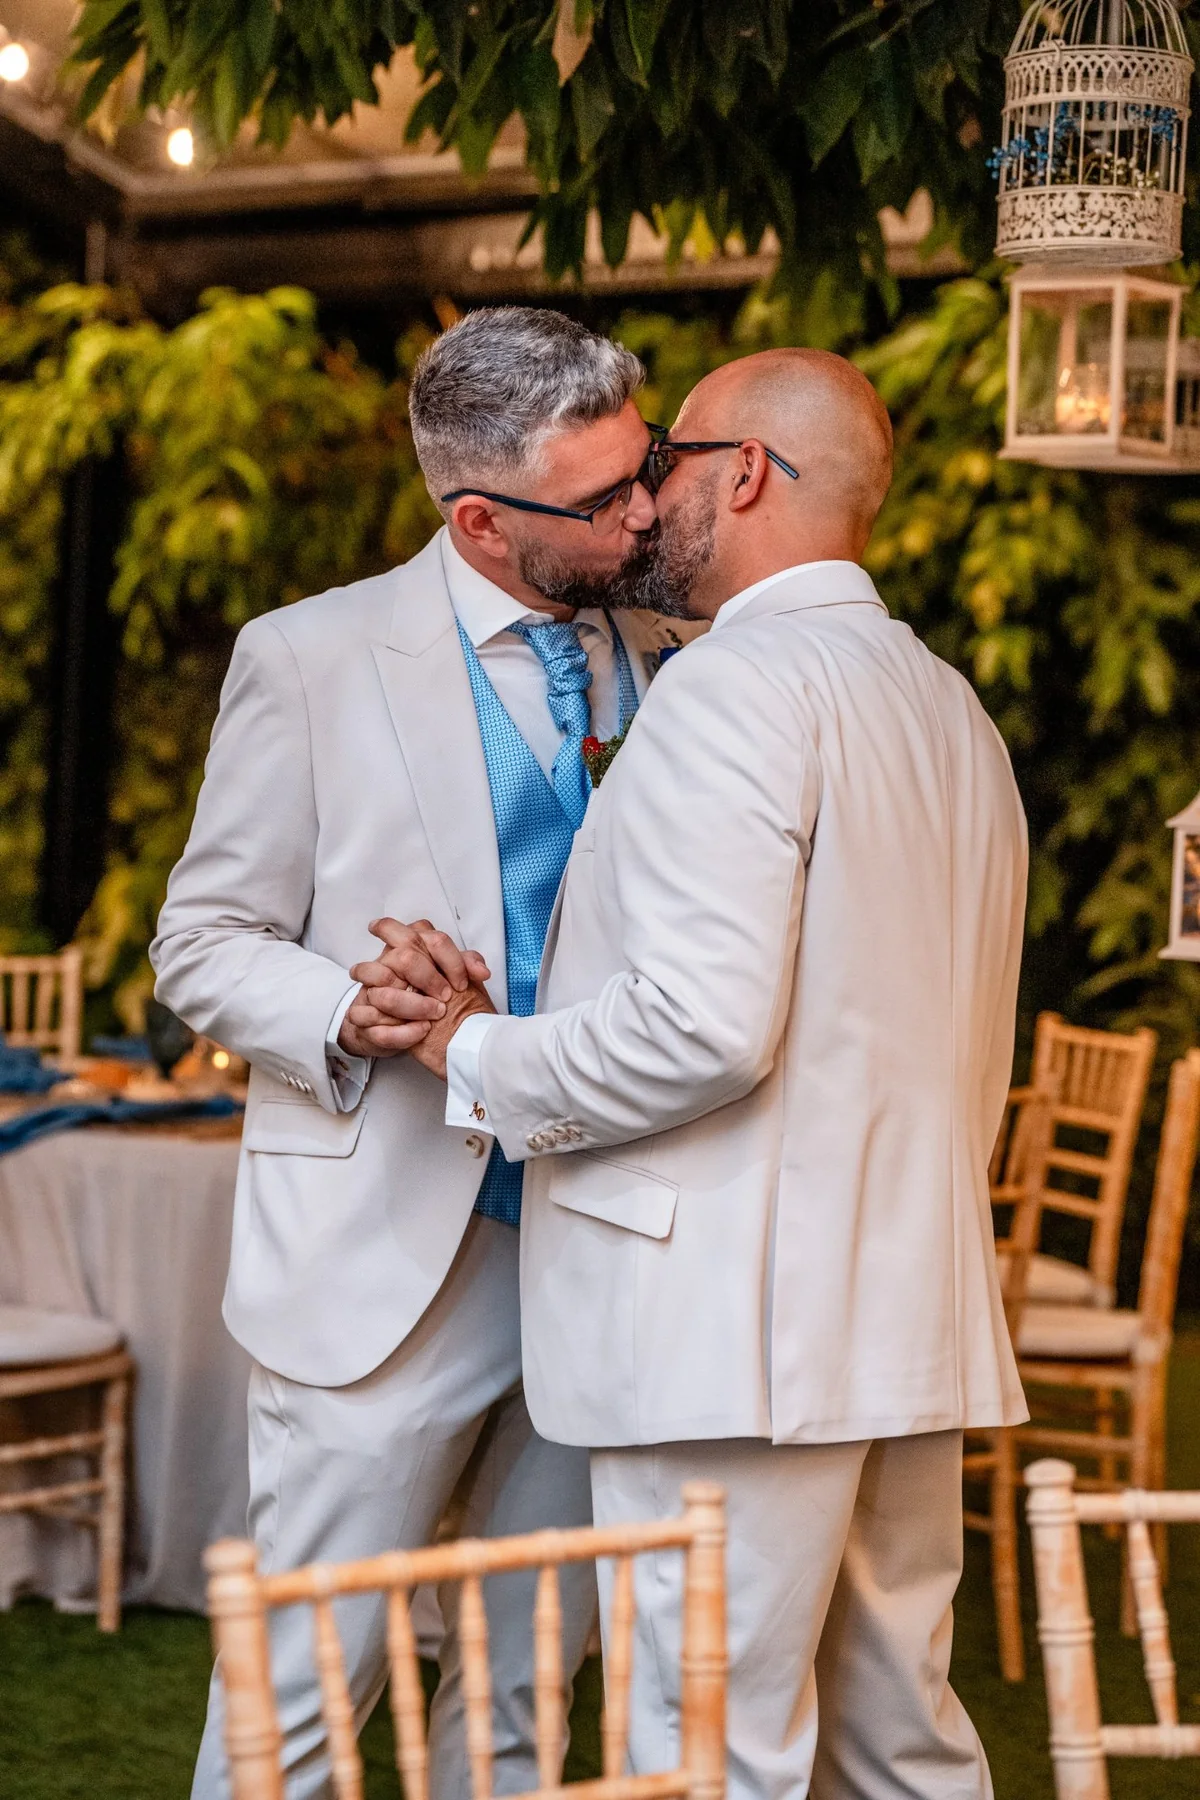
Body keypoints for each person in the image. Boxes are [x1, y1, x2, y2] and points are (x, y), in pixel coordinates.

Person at [366, 349, 1029, 1799]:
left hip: (732, 1335)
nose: (639, 493)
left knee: (711, 1747)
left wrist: (466, 1044)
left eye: (665, 459)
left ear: (744, 476)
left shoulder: (731, 688)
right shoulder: (953, 713)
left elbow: (701, 1027)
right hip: (902, 1318)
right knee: (900, 1742)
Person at [150, 306, 699, 1799]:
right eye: (603, 497)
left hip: (601, 1250)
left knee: (526, 1691)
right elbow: (200, 941)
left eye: (645, 465)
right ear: (479, 520)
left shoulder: (679, 653)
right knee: (303, 1697)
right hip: (381, 1261)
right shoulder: (310, 657)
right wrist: (350, 1009)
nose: (645, 512)